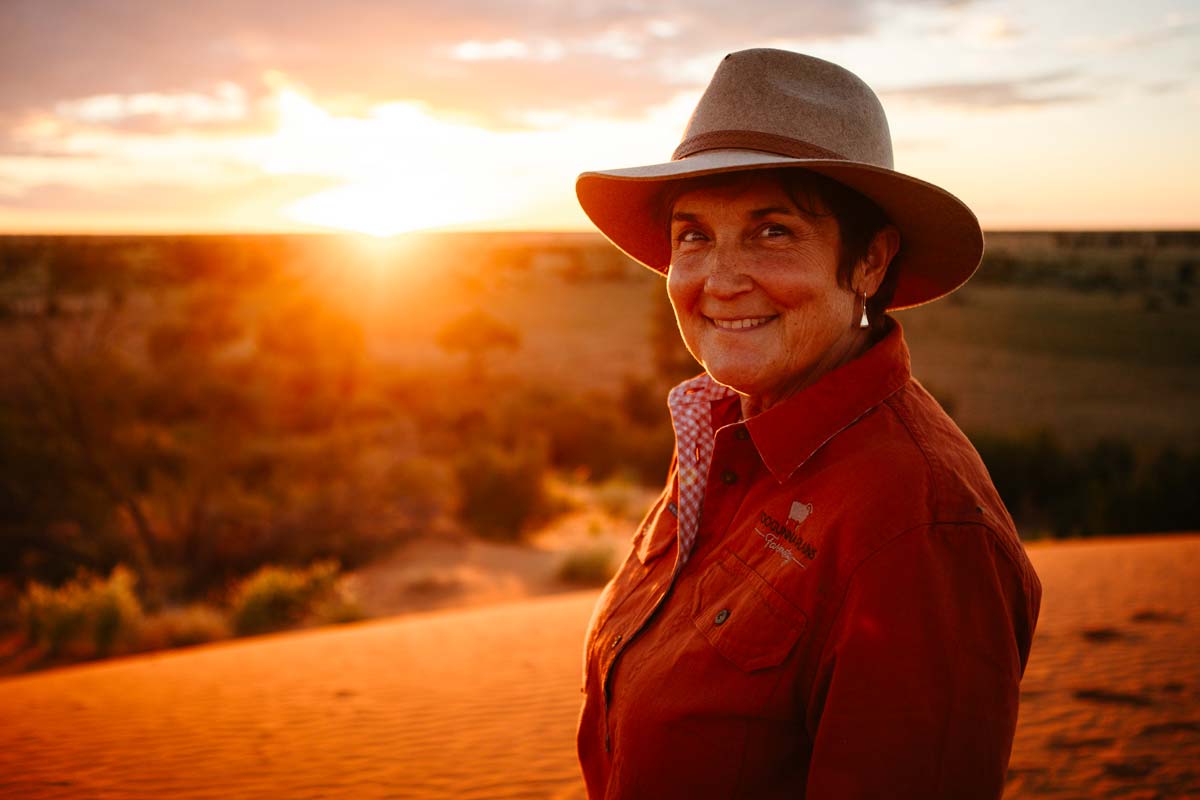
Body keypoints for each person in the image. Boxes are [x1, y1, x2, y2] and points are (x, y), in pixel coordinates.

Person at [573, 48, 1042, 799]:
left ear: (868, 262)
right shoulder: (723, 428)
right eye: (694, 235)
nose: (720, 281)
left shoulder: (920, 528)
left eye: (773, 232)